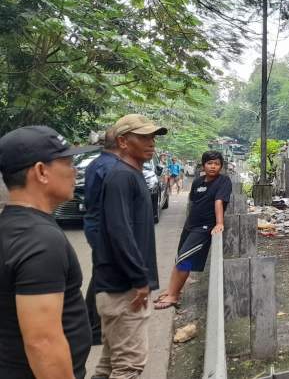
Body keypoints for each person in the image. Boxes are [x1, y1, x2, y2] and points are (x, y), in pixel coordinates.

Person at [0, 126, 98, 379]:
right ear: (41, 171)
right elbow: (42, 343)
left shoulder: (11, 226)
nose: (75, 171)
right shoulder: (40, 240)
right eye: (67, 163)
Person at [92, 114, 166, 379]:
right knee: (129, 366)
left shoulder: (131, 175)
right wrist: (139, 278)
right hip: (124, 289)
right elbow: (119, 232)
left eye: (153, 137)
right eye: (144, 137)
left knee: (110, 365)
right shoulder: (121, 177)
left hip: (122, 287)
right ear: (123, 141)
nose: (152, 142)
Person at [154, 151, 232, 309]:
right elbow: (194, 204)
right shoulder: (197, 182)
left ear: (221, 166)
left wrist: (219, 223)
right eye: (210, 163)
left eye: (216, 164)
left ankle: (174, 296)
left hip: (204, 228)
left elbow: (219, 202)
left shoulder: (224, 181)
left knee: (185, 261)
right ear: (203, 165)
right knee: (180, 258)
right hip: (190, 226)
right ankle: (170, 290)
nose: (213, 166)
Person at [83, 127, 121, 346]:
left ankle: (92, 322)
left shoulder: (97, 163)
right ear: (122, 142)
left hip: (95, 223)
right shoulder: (111, 167)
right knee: (104, 273)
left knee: (101, 271)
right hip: (102, 226)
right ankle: (95, 327)